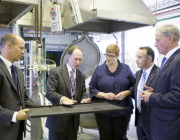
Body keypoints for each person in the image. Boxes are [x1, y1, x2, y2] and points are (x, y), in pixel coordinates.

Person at [140, 24, 180, 140]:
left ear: (169, 39)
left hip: (169, 129)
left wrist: (152, 97)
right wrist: (156, 91)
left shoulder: (177, 61)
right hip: (163, 125)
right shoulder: (169, 60)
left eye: (157, 40)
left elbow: (178, 96)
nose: (155, 44)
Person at [89, 44, 135, 140]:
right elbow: (92, 88)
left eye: (111, 55)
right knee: (105, 137)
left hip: (123, 110)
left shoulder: (126, 69)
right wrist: (104, 95)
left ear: (117, 56)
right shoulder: (99, 70)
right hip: (103, 111)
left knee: (120, 137)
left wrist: (126, 93)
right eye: (106, 55)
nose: (108, 58)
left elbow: (135, 86)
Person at [0, 33, 40, 140]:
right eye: (21, 48)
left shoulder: (18, 71)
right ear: (9, 45)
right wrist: (14, 116)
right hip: (3, 130)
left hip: (18, 129)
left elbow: (24, 98)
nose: (23, 52)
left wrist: (44, 108)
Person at [45, 46, 91, 140]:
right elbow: (50, 92)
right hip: (58, 120)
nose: (78, 62)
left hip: (73, 120)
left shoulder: (81, 75)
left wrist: (83, 99)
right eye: (75, 59)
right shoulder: (56, 72)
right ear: (68, 57)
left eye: (80, 59)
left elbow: (82, 93)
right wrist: (62, 98)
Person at [134, 47, 159, 140]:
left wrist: (153, 94)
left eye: (139, 57)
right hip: (140, 119)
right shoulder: (138, 73)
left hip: (153, 121)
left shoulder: (160, 73)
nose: (136, 60)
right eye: (136, 56)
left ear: (149, 59)